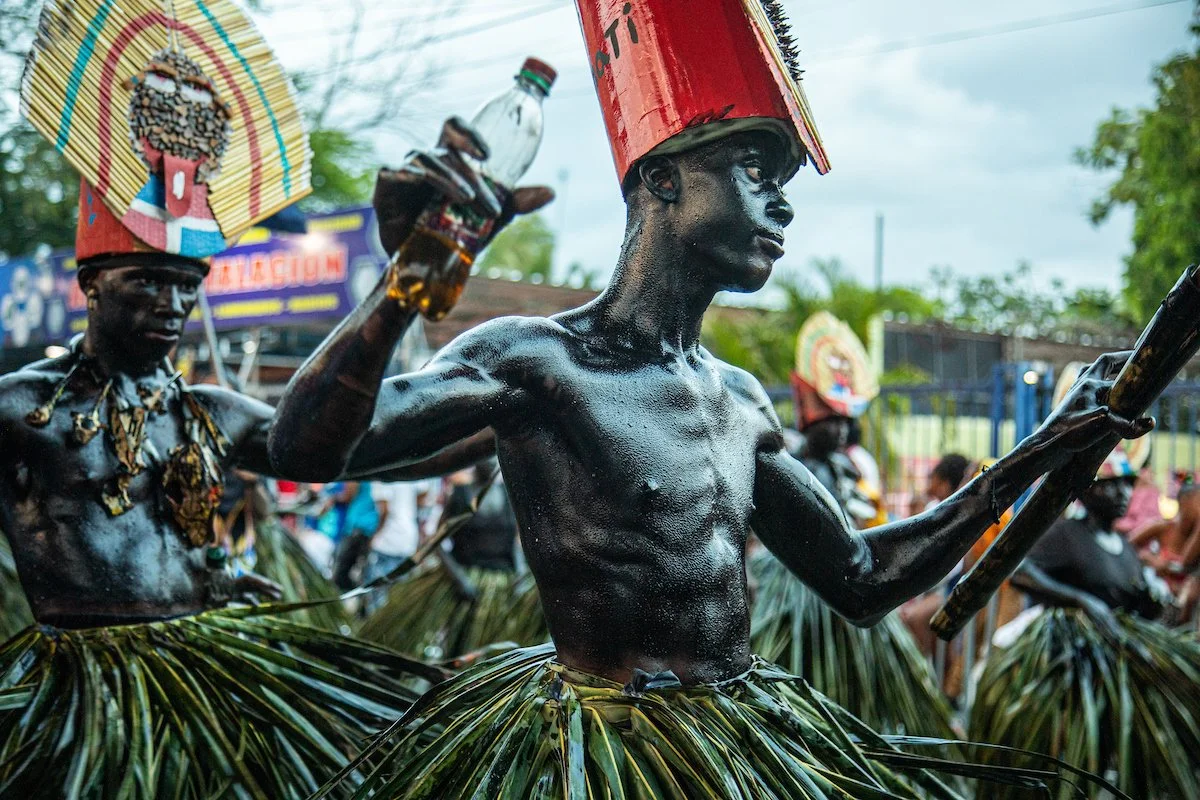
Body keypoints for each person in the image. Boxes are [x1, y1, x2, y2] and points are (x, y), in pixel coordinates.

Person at [269, 2, 1151, 795]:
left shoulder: (739, 400)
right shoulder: (536, 363)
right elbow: (303, 451)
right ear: (661, 180)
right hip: (599, 759)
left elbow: (858, 579)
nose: (783, 206)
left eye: (784, 181)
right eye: (755, 168)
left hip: (731, 752)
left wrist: (1051, 445)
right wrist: (404, 282)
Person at [0, 3, 439, 796]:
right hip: (84, 701)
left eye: (185, 286)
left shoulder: (207, 410)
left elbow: (353, 447)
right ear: (92, 284)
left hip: (206, 668)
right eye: (147, 282)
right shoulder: (23, 408)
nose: (170, 305)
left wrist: (500, 408)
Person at [971, 399, 1200, 799]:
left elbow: (1135, 601)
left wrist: (1159, 604)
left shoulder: (1124, 546)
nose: (1122, 492)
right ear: (1087, 487)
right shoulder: (1065, 534)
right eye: (1110, 484)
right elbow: (1017, 570)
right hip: (1069, 661)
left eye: (1128, 483)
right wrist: (1080, 602)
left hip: (1121, 656)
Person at [753, 313, 957, 740]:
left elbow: (864, 528)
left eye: (846, 420)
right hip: (793, 594)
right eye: (832, 418)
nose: (841, 428)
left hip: (849, 589)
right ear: (808, 408)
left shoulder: (850, 467)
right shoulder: (785, 460)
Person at [359, 462, 548, 659]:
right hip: (463, 576)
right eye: (486, 456)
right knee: (457, 643)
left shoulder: (509, 496)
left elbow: (515, 542)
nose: (490, 462)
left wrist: (519, 574)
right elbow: (437, 541)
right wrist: (458, 578)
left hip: (501, 582)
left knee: (489, 647)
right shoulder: (460, 494)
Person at [330, 481, 381, 591]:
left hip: (359, 527)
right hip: (367, 527)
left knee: (341, 572)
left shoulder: (357, 474)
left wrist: (332, 498)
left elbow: (347, 495)